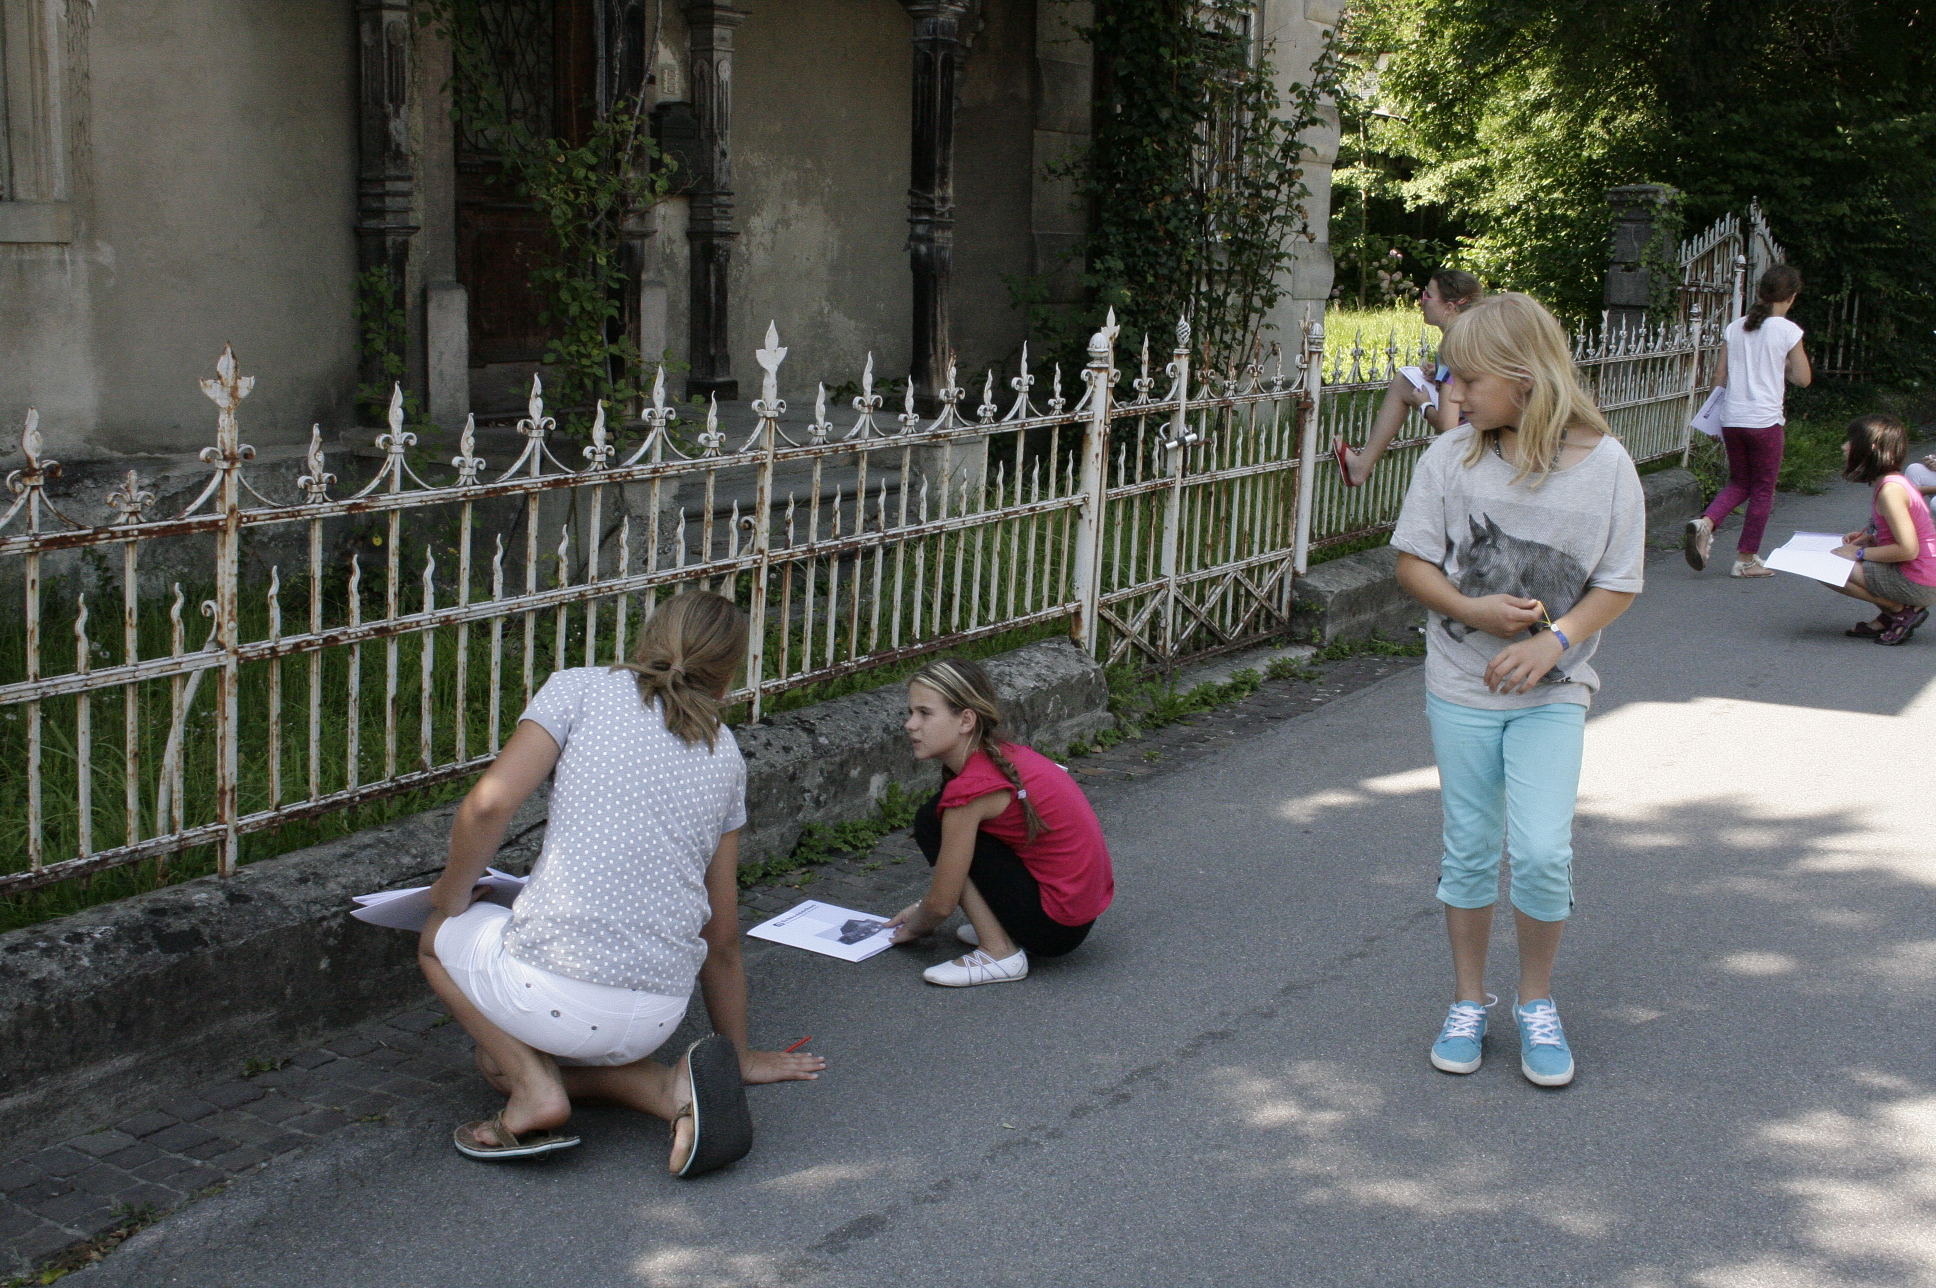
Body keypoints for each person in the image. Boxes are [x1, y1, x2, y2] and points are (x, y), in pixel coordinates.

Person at [416, 591, 825, 1172]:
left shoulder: (580, 689)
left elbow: (488, 805)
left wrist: (451, 894)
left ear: (648, 637)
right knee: (494, 1063)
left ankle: (536, 1092)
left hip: (554, 993)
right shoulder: (725, 754)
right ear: (729, 673)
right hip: (657, 1015)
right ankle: (670, 1094)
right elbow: (722, 933)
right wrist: (735, 1056)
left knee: (436, 939)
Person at [1390, 293, 1646, 1088]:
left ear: (1525, 380)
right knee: (1469, 849)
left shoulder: (1608, 467)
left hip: (1554, 693)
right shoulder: (1451, 457)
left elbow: (1619, 582)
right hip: (1459, 685)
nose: (1453, 395)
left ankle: (1537, 1001)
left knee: (1539, 851)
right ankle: (1469, 1000)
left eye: (1468, 380)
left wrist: (1553, 641)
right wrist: (1472, 611)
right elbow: (1412, 563)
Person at [885, 657, 1114, 987]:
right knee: (938, 813)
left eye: (924, 713)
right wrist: (928, 908)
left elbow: (941, 906)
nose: (910, 724)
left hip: (1053, 927)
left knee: (931, 822)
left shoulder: (973, 789)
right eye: (911, 712)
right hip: (1077, 910)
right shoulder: (1001, 754)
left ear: (966, 720)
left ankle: (999, 951)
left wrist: (918, 923)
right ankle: (1000, 926)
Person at [1684, 265, 1812, 577]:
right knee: (1763, 489)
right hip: (1765, 422)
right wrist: (1781, 364)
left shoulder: (1735, 327)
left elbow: (1719, 375)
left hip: (1732, 419)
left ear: (1759, 292)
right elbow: (1803, 378)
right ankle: (1746, 559)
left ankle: (1706, 522)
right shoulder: (1788, 331)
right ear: (1792, 297)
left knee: (1739, 482)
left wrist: (1713, 419)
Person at [1332, 269, 1485, 488]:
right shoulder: (1476, 337)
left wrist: (1423, 405)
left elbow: (1448, 424)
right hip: (1489, 432)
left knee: (1403, 382)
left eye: (1428, 295)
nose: (1422, 301)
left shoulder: (1452, 346)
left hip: (1471, 441)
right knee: (1404, 381)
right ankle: (1361, 466)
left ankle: (1361, 467)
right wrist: (1440, 374)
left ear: (1450, 307)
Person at [1827, 415, 1936, 645]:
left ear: (1872, 447)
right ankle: (1890, 615)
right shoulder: (1892, 482)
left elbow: (1908, 550)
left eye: (1851, 441)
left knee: (1824, 566)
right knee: (1834, 558)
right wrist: (1872, 539)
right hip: (1921, 575)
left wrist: (1859, 553)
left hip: (1917, 581)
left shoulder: (1891, 491)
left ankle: (1898, 611)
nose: (1844, 447)